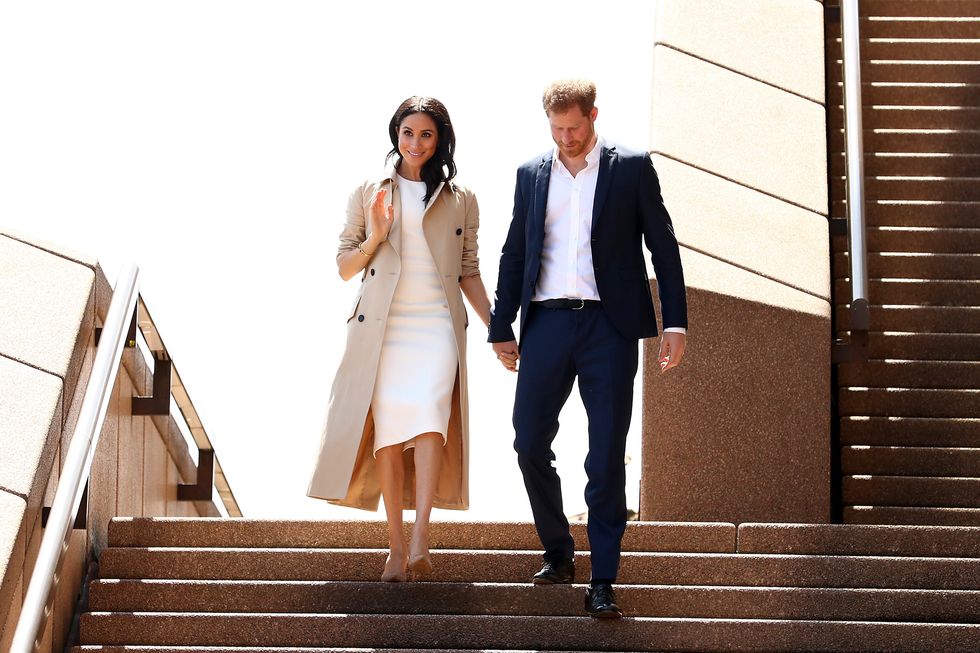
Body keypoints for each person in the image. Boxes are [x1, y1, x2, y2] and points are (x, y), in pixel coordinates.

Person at [488, 80, 688, 618]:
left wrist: (676, 323)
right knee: (528, 441)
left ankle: (603, 578)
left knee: (604, 458)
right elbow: (515, 250)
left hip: (610, 328)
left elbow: (663, 245)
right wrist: (499, 324)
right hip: (547, 324)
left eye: (575, 127)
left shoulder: (631, 167)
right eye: (557, 129)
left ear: (593, 115)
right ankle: (558, 552)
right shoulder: (531, 174)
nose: (567, 137)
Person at [308, 96, 491, 583]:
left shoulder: (462, 197)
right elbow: (346, 267)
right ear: (396, 136)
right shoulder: (370, 192)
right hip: (384, 329)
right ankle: (393, 547)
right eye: (407, 133)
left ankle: (421, 538)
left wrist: (499, 328)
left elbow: (468, 271)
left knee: (432, 421)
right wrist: (378, 232)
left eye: (426, 135)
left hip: (436, 326)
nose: (415, 143)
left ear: (440, 140)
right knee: (388, 433)